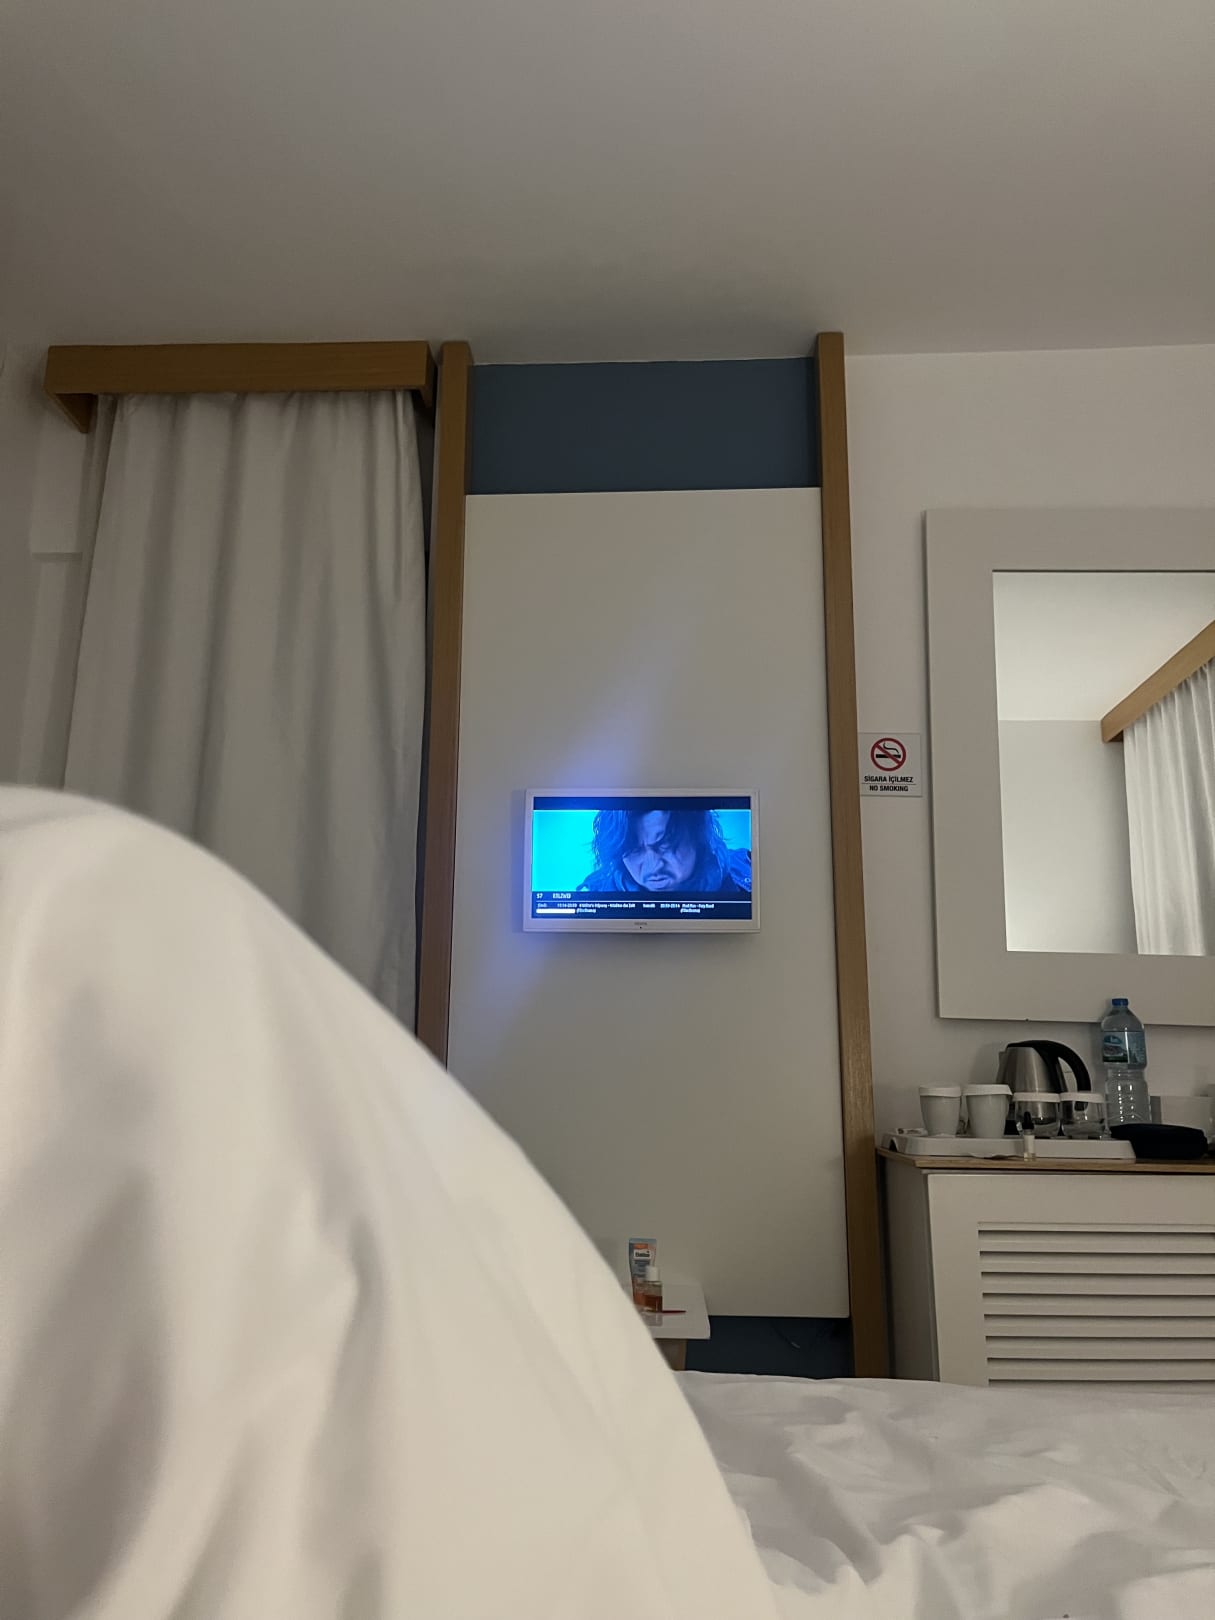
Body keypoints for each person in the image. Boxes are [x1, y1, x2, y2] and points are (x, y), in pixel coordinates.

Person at [0, 789, 781, 1620]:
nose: (651, 861)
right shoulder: (68, 904)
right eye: (637, 845)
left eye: (670, 844)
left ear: (705, 843)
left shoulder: (731, 874)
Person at [578, 804, 752, 896]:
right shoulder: (595, 895)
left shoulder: (749, 869)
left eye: (665, 845)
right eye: (634, 850)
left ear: (698, 838)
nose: (653, 866)